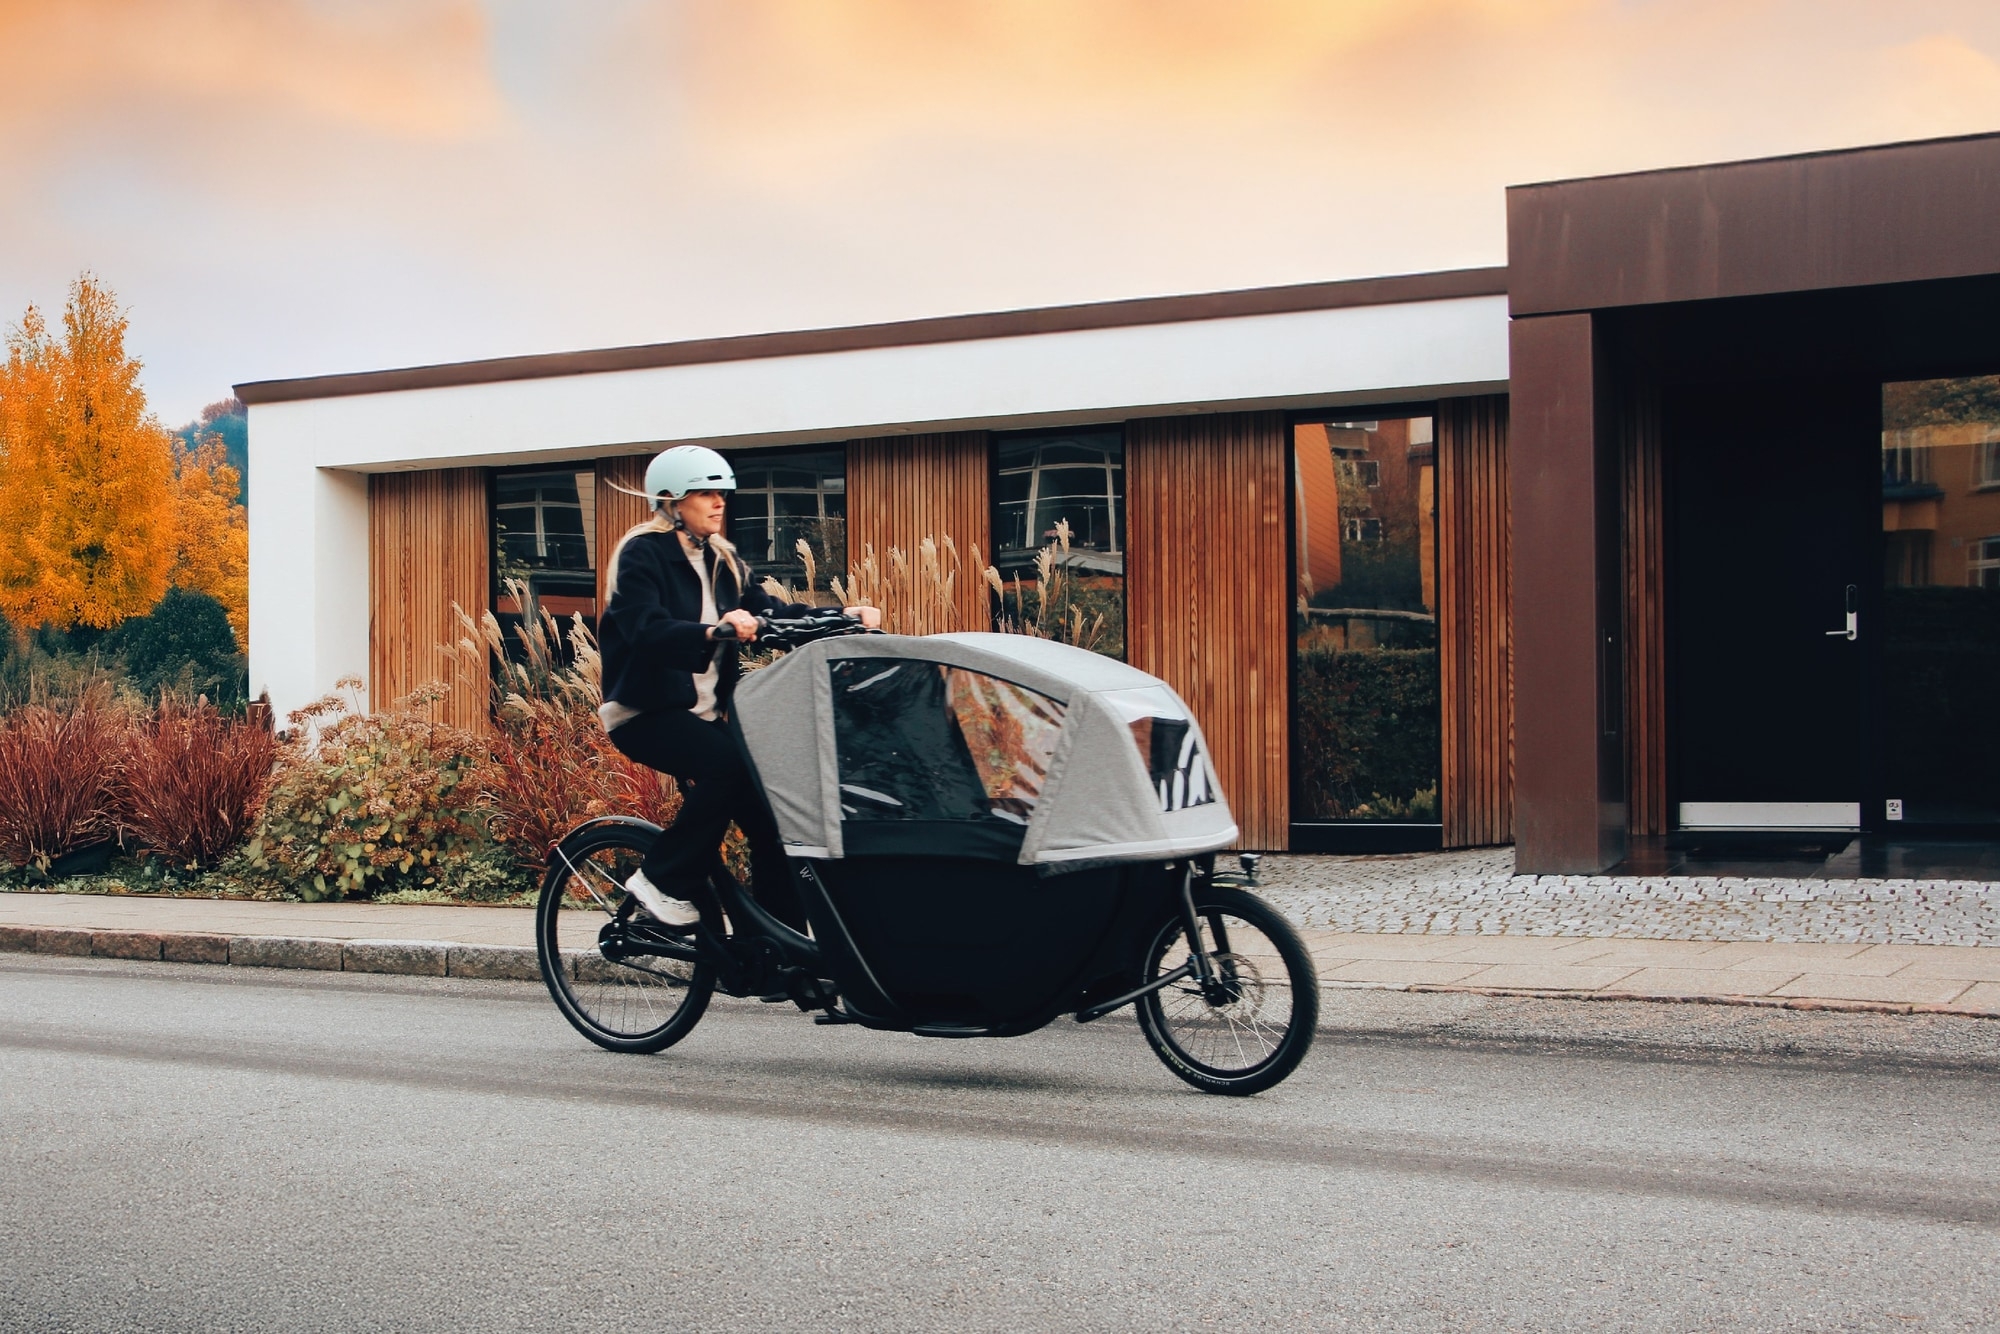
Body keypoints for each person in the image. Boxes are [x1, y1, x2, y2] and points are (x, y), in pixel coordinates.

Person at [596, 445, 880, 929]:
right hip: (644, 714)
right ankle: (661, 879)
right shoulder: (642, 553)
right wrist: (713, 631)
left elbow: (769, 610)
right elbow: (644, 629)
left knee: (772, 819)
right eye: (704, 493)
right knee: (726, 767)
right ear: (671, 501)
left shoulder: (723, 560)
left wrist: (842, 617)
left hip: (704, 718)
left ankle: (775, 949)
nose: (718, 502)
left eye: (721, 493)